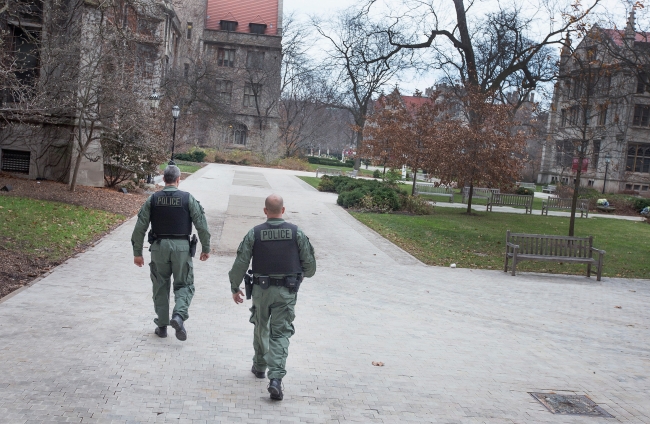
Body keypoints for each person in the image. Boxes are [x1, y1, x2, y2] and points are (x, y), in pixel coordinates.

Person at [229, 194, 316, 401]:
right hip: (286, 292)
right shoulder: (297, 233)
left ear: (265, 211)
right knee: (280, 333)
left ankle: (259, 366)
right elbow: (310, 268)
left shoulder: (255, 233)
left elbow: (240, 263)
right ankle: (275, 378)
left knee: (260, 326)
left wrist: (235, 287)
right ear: (283, 211)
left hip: (261, 291)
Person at [131, 165, 211, 341]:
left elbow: (140, 227)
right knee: (184, 284)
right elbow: (202, 225)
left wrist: (138, 252)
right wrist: (206, 247)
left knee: (160, 285)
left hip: (159, 247)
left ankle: (162, 326)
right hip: (182, 247)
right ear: (178, 179)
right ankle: (178, 316)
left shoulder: (153, 199)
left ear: (163, 179)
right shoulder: (187, 199)